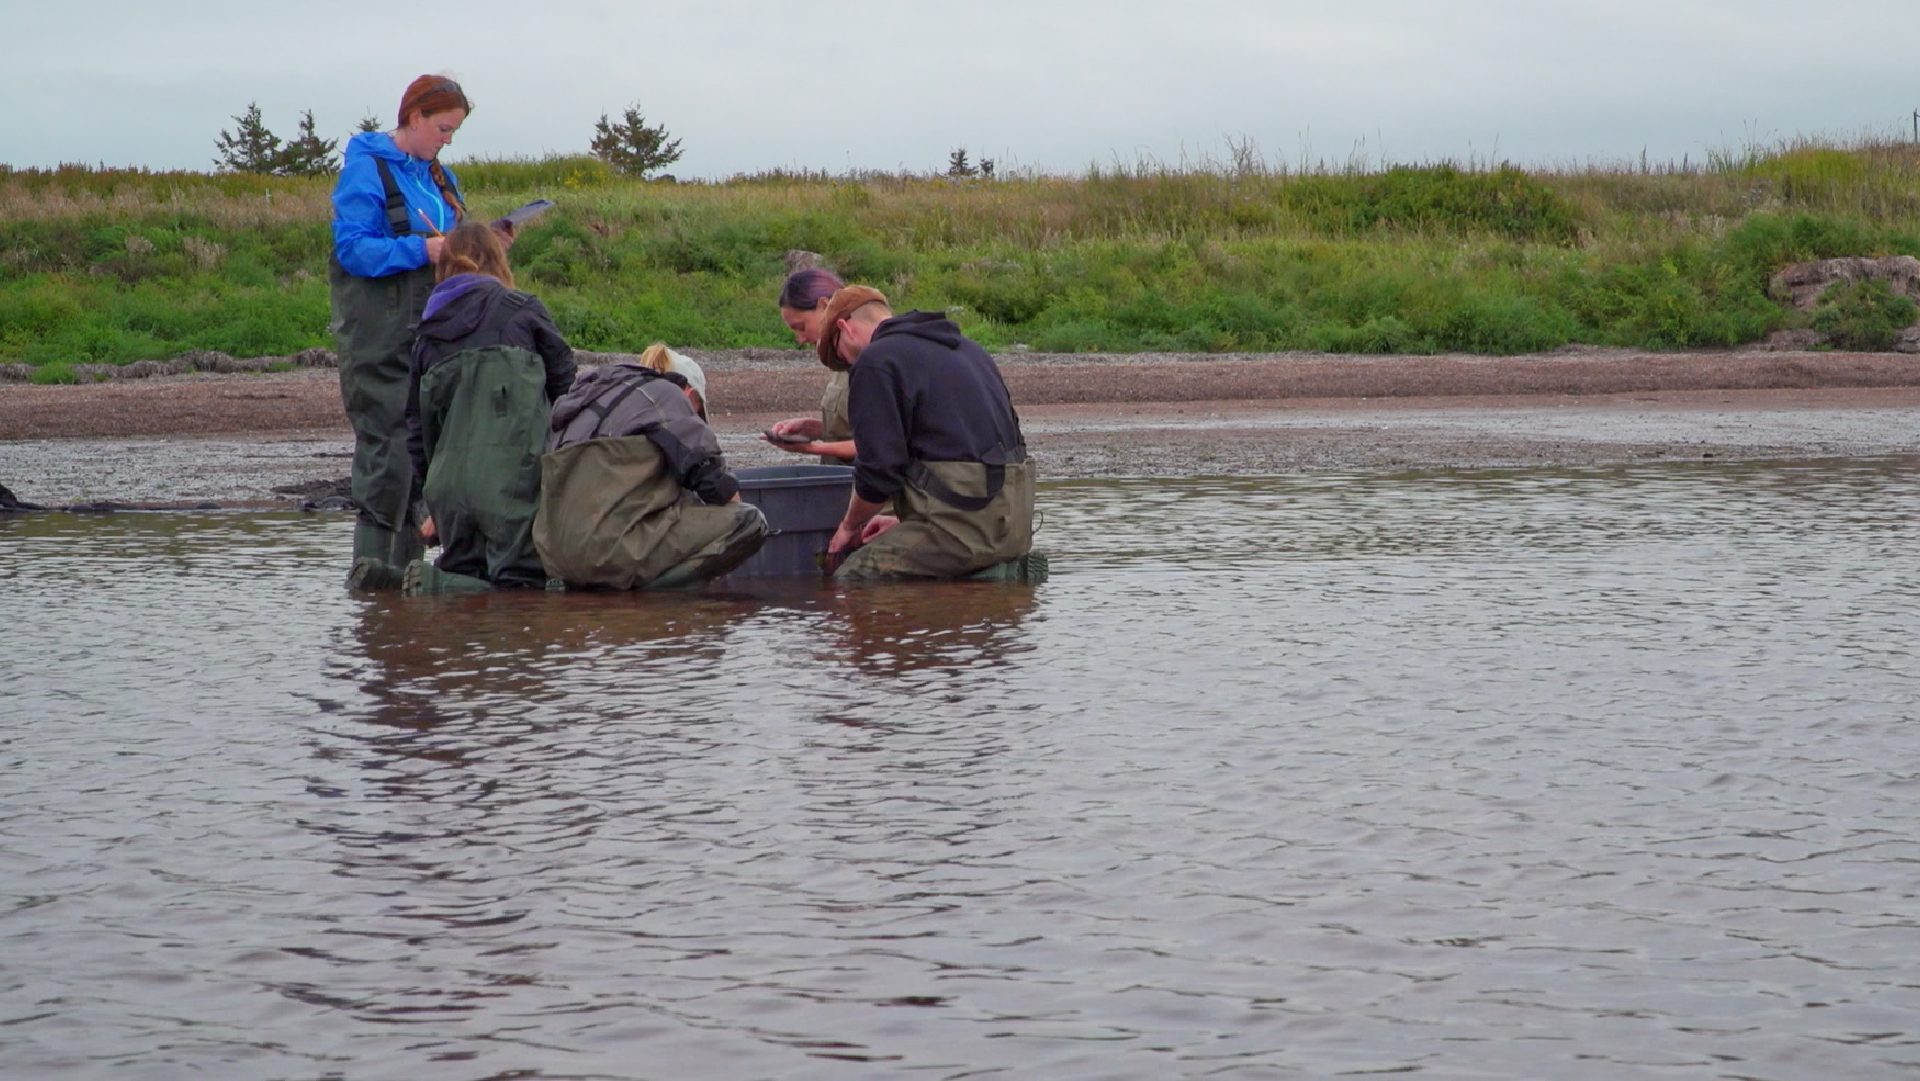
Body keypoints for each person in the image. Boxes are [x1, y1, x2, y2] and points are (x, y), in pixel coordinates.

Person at [333, 74, 473, 589]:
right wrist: (422, 250)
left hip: (434, 329)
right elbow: (352, 249)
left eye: (454, 132)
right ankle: (372, 583)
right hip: (378, 333)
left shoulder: (441, 177)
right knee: (386, 449)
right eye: (442, 128)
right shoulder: (365, 169)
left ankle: (409, 585)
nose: (447, 140)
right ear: (413, 118)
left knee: (426, 448)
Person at [390, 221, 578, 595]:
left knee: (465, 586)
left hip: (449, 486)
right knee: (520, 589)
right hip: (515, 480)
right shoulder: (523, 309)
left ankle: (428, 588)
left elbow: (415, 425)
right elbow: (566, 388)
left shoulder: (426, 334)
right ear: (497, 259)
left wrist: (433, 497)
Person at [817, 286, 1042, 581]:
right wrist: (904, 522)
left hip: (966, 532)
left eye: (840, 355)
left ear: (844, 328)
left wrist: (848, 527)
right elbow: (957, 445)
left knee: (853, 579)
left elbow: (878, 473)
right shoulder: (969, 349)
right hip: (1012, 529)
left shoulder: (875, 360)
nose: (847, 365)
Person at [532, 345, 768, 590]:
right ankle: (652, 597)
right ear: (689, 395)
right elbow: (714, 482)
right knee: (749, 521)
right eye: (697, 412)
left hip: (555, 557)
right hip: (608, 551)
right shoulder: (666, 396)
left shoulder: (589, 402)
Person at [763, 268, 857, 463]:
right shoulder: (840, 362)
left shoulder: (875, 360)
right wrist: (816, 429)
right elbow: (860, 430)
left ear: (825, 306)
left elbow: (884, 445)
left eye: (801, 327)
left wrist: (813, 448)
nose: (800, 339)